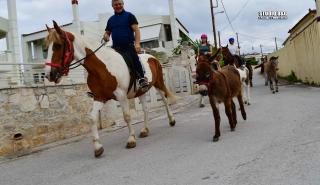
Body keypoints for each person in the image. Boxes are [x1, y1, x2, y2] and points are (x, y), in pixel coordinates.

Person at [103, 0, 148, 90]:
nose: (118, 6)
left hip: (128, 46)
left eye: (120, 4)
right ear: (112, 6)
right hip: (115, 48)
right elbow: (107, 32)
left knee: (134, 58)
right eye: (116, 4)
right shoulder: (111, 20)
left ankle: (141, 78)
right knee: (106, 62)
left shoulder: (129, 16)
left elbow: (136, 30)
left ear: (123, 4)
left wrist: (137, 43)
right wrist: (106, 36)